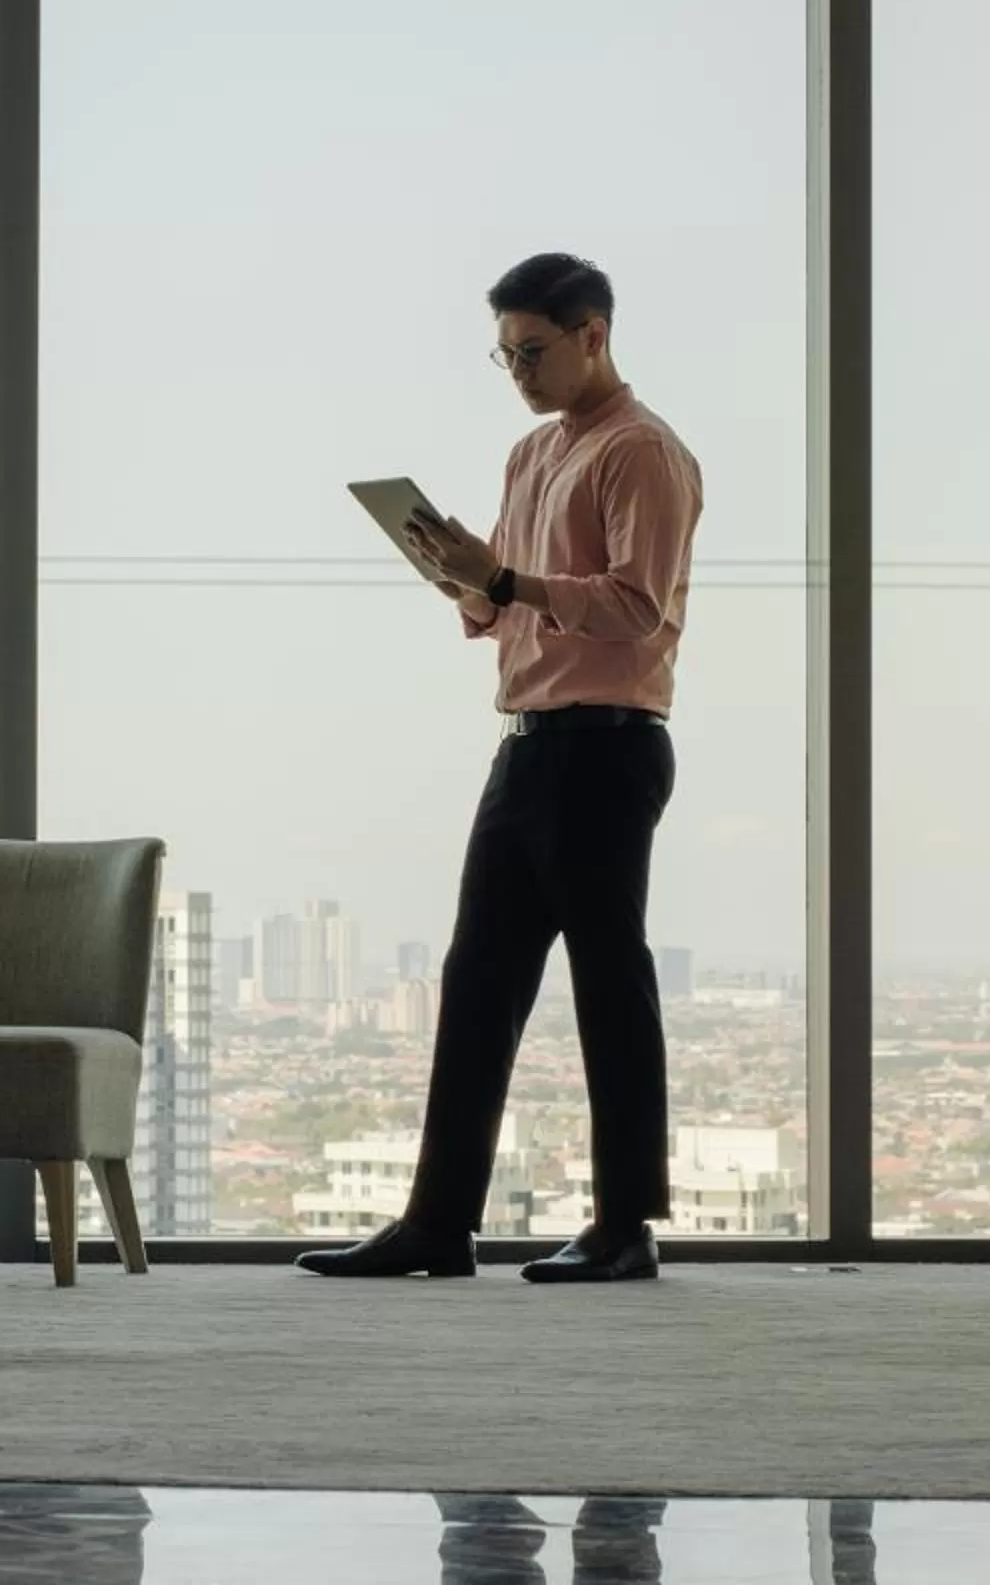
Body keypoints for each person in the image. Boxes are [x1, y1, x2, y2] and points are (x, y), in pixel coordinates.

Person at [299, 252, 703, 1283]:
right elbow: (504, 606)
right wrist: (464, 580)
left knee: (611, 984)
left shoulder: (644, 452)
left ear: (593, 335)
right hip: (525, 743)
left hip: (608, 745)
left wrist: (507, 575)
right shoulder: (531, 455)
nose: (518, 371)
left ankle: (625, 1227)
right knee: (477, 981)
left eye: (532, 351)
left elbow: (635, 606)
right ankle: (439, 1222)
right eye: (505, 354)